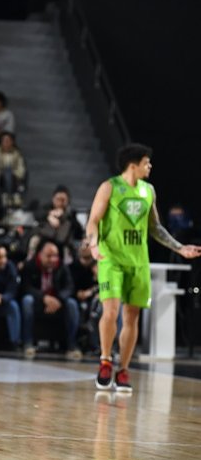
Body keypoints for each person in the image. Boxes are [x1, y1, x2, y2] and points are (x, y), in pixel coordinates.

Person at [85, 143, 201, 392]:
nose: (150, 166)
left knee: (132, 316)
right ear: (133, 165)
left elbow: (155, 227)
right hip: (111, 259)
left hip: (138, 261)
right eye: (146, 163)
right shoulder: (109, 187)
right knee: (111, 311)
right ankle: (105, 360)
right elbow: (93, 221)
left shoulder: (149, 191)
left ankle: (123, 370)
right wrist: (93, 244)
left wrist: (180, 248)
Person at [20, 239, 81, 360]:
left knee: (72, 304)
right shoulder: (30, 265)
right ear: (40, 255)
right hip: (38, 302)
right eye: (49, 256)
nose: (53, 259)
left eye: (55, 256)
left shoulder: (62, 266)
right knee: (27, 301)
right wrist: (44, 297)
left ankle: (72, 345)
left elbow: (69, 287)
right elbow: (26, 287)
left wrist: (58, 299)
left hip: (58, 302)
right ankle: (27, 343)